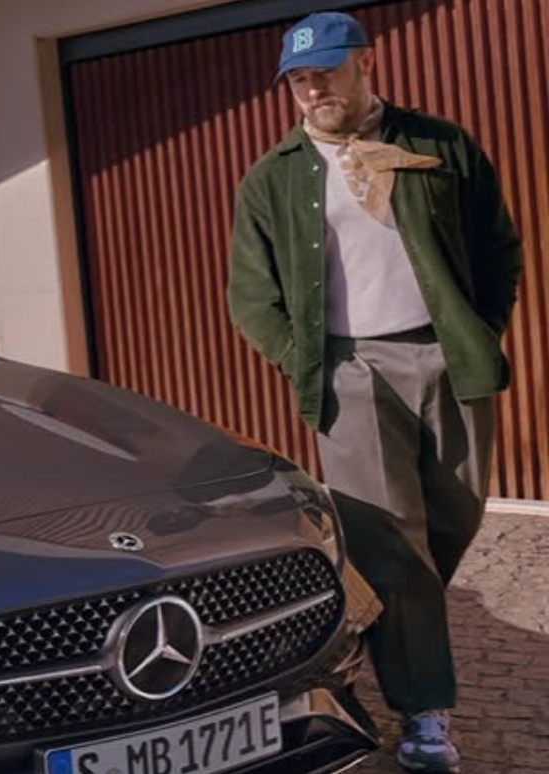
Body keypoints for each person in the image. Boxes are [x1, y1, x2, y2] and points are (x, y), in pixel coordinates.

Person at [227, 12, 522, 774]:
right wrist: (306, 361)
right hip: (348, 372)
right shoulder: (272, 176)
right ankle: (425, 714)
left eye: (325, 70)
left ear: (364, 63)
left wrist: (480, 330)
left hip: (448, 358)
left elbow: (498, 245)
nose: (314, 88)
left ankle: (378, 631)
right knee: (393, 546)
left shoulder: (441, 144)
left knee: (454, 518)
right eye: (298, 79)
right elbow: (251, 296)